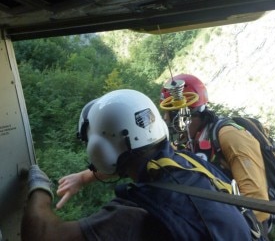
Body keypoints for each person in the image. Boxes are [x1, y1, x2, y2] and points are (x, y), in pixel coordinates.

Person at [21, 89, 259, 241]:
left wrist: (38, 187)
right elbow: (127, 157)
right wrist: (84, 177)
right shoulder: (187, 163)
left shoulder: (136, 212)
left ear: (99, 149)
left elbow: (43, 235)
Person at [160, 73, 270, 237]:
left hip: (244, 229)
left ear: (184, 114)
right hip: (217, 222)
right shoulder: (190, 141)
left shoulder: (230, 135)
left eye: (169, 114)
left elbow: (257, 204)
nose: (166, 119)